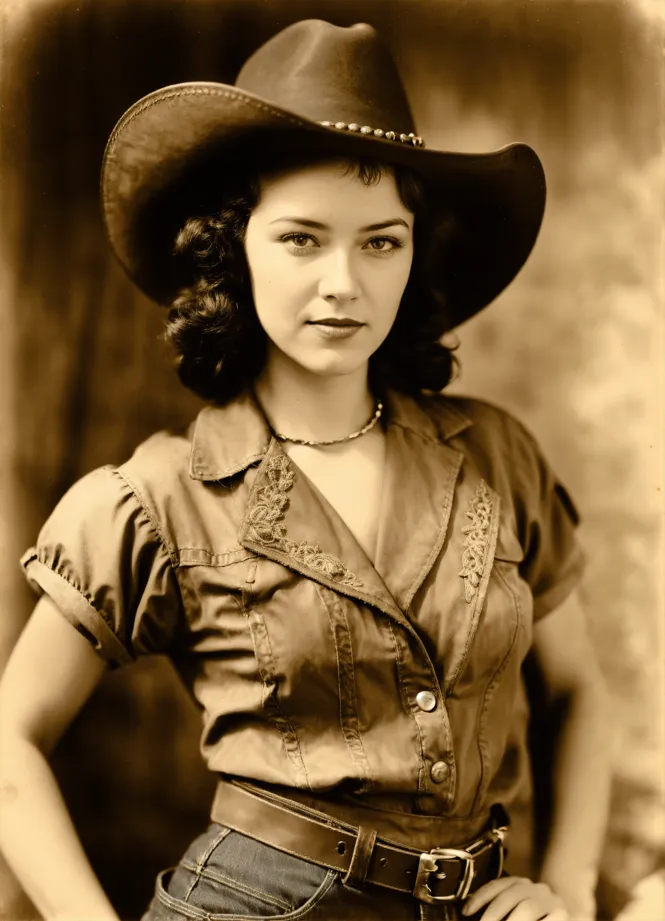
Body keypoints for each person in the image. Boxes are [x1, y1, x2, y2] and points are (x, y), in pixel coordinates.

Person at [0, 18, 612, 921]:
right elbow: (10, 738)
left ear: (413, 253)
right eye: (300, 238)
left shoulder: (494, 455)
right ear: (231, 247)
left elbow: (579, 688)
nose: (343, 282)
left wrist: (566, 883)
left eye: (380, 241)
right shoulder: (155, 497)